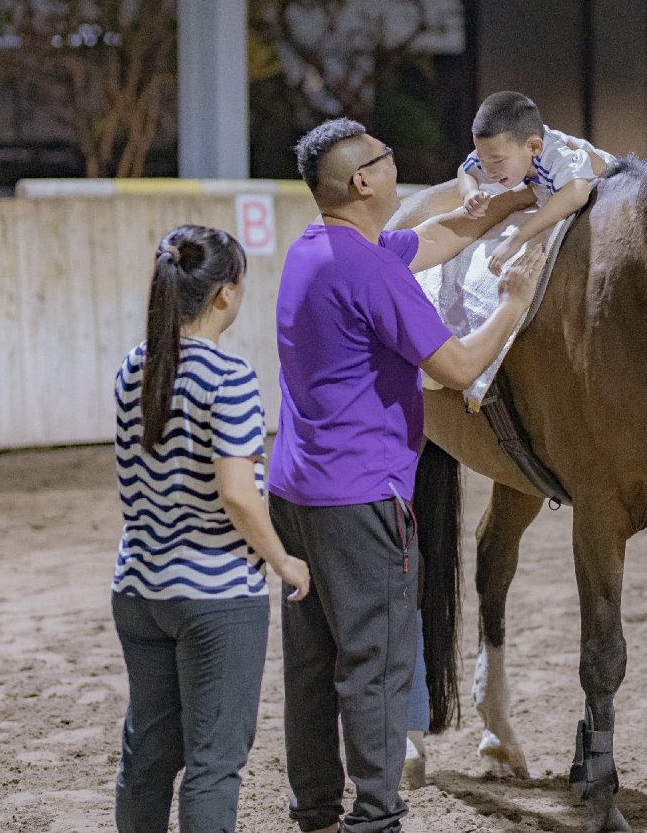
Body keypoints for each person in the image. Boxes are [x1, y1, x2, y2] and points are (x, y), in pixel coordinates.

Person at [268, 117, 547, 833]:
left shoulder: (319, 247)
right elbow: (458, 366)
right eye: (387, 157)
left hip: (296, 493)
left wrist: (519, 200)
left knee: (312, 666)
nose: (397, 164)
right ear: (364, 181)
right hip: (361, 500)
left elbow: (439, 235)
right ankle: (376, 818)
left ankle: (317, 814)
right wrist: (513, 303)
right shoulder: (371, 271)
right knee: (378, 666)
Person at [110, 224, 312, 833]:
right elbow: (237, 493)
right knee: (213, 765)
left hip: (138, 587)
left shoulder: (133, 368)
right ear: (226, 293)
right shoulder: (229, 377)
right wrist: (283, 560)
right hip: (215, 594)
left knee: (147, 756)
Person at [456, 90, 616, 274]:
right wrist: (469, 192)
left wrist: (516, 239)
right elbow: (466, 169)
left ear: (534, 147)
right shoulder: (500, 152)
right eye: (483, 160)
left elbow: (577, 192)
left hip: (611, 192)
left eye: (497, 161)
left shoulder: (553, 153)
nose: (487, 171)